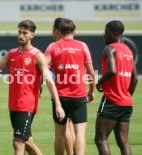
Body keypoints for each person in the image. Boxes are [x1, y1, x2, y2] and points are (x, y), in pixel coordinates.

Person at [0, 20, 65, 155]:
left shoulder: (38, 56)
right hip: (13, 105)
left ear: (32, 35)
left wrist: (58, 104)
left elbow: (49, 80)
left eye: (25, 33)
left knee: (18, 142)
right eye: (19, 32)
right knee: (28, 143)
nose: (21, 35)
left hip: (27, 104)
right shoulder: (11, 54)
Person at [45, 18, 95, 155]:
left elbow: (44, 70)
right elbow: (91, 72)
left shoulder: (52, 47)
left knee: (59, 135)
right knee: (80, 134)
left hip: (60, 97)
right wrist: (91, 91)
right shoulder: (82, 46)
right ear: (75, 31)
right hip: (79, 96)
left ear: (59, 31)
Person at [94, 20, 138, 155]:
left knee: (101, 139)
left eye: (106, 33)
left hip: (112, 100)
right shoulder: (128, 50)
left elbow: (112, 70)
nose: (104, 35)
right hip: (126, 102)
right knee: (123, 140)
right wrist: (126, 95)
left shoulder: (110, 49)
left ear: (115, 34)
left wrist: (99, 82)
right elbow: (135, 78)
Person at [51, 17, 76, 155]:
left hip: (60, 90)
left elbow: (46, 69)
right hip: (76, 90)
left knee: (63, 127)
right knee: (71, 124)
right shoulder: (77, 45)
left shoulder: (55, 47)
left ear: (56, 30)